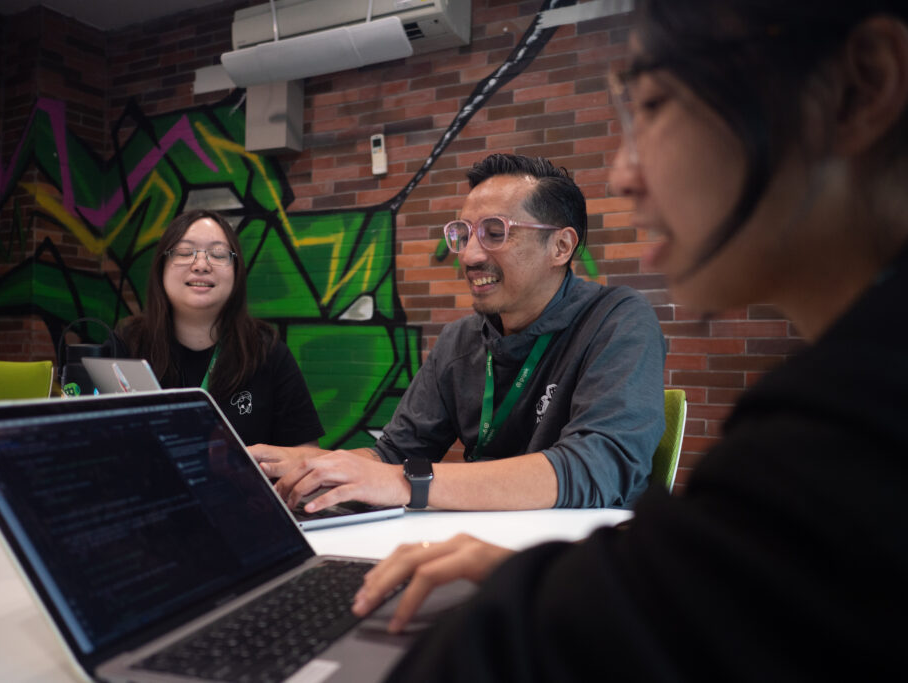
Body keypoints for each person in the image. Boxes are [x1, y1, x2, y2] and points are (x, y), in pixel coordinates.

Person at [348, 1, 908, 680]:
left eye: (654, 104)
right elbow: (720, 595)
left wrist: (555, 582)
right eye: (462, 235)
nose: (621, 174)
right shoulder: (850, 393)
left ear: (860, 85)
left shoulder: (848, 429)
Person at [250, 154, 666, 513]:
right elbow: (394, 455)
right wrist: (312, 467)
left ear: (560, 247)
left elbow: (599, 468)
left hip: (580, 563)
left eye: (495, 232)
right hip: (477, 549)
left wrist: (405, 483)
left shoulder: (617, 320)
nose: (469, 255)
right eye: (463, 234)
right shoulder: (461, 340)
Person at [112, 209, 324, 448]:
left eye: (218, 254)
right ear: (162, 266)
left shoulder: (267, 351)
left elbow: (306, 456)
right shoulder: (128, 343)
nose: (201, 265)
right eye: (184, 252)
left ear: (236, 271)